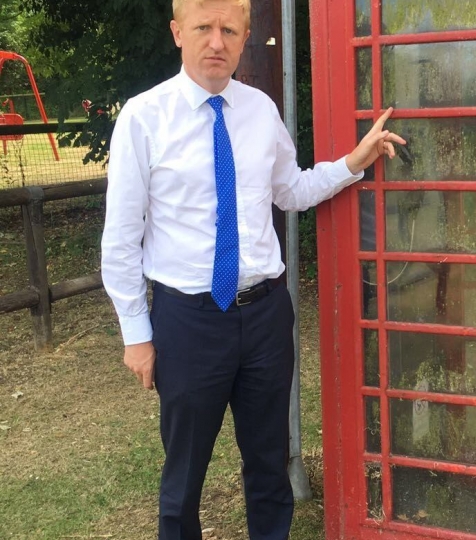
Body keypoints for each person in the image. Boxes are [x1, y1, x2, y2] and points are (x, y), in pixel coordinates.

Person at [100, 0, 404, 538]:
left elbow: (291, 191)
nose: (216, 42)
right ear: (177, 32)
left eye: (229, 30)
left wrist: (353, 163)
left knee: (269, 464)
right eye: (203, 28)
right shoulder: (143, 117)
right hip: (188, 321)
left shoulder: (260, 110)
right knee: (184, 476)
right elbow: (121, 239)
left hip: (265, 316)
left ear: (244, 38)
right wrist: (136, 335)